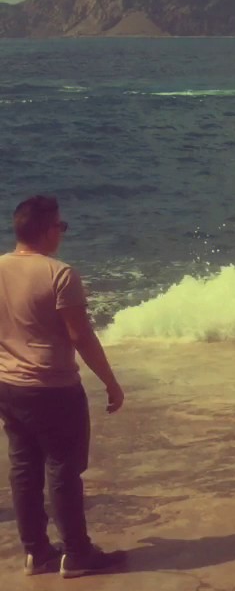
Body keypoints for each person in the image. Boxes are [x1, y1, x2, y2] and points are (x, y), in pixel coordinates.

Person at [0, 196, 127, 578]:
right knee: (63, 469)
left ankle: (37, 553)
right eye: (61, 226)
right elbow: (81, 337)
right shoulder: (60, 273)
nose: (63, 231)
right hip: (53, 387)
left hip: (8, 385)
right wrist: (110, 382)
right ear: (45, 230)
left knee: (23, 468)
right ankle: (77, 554)